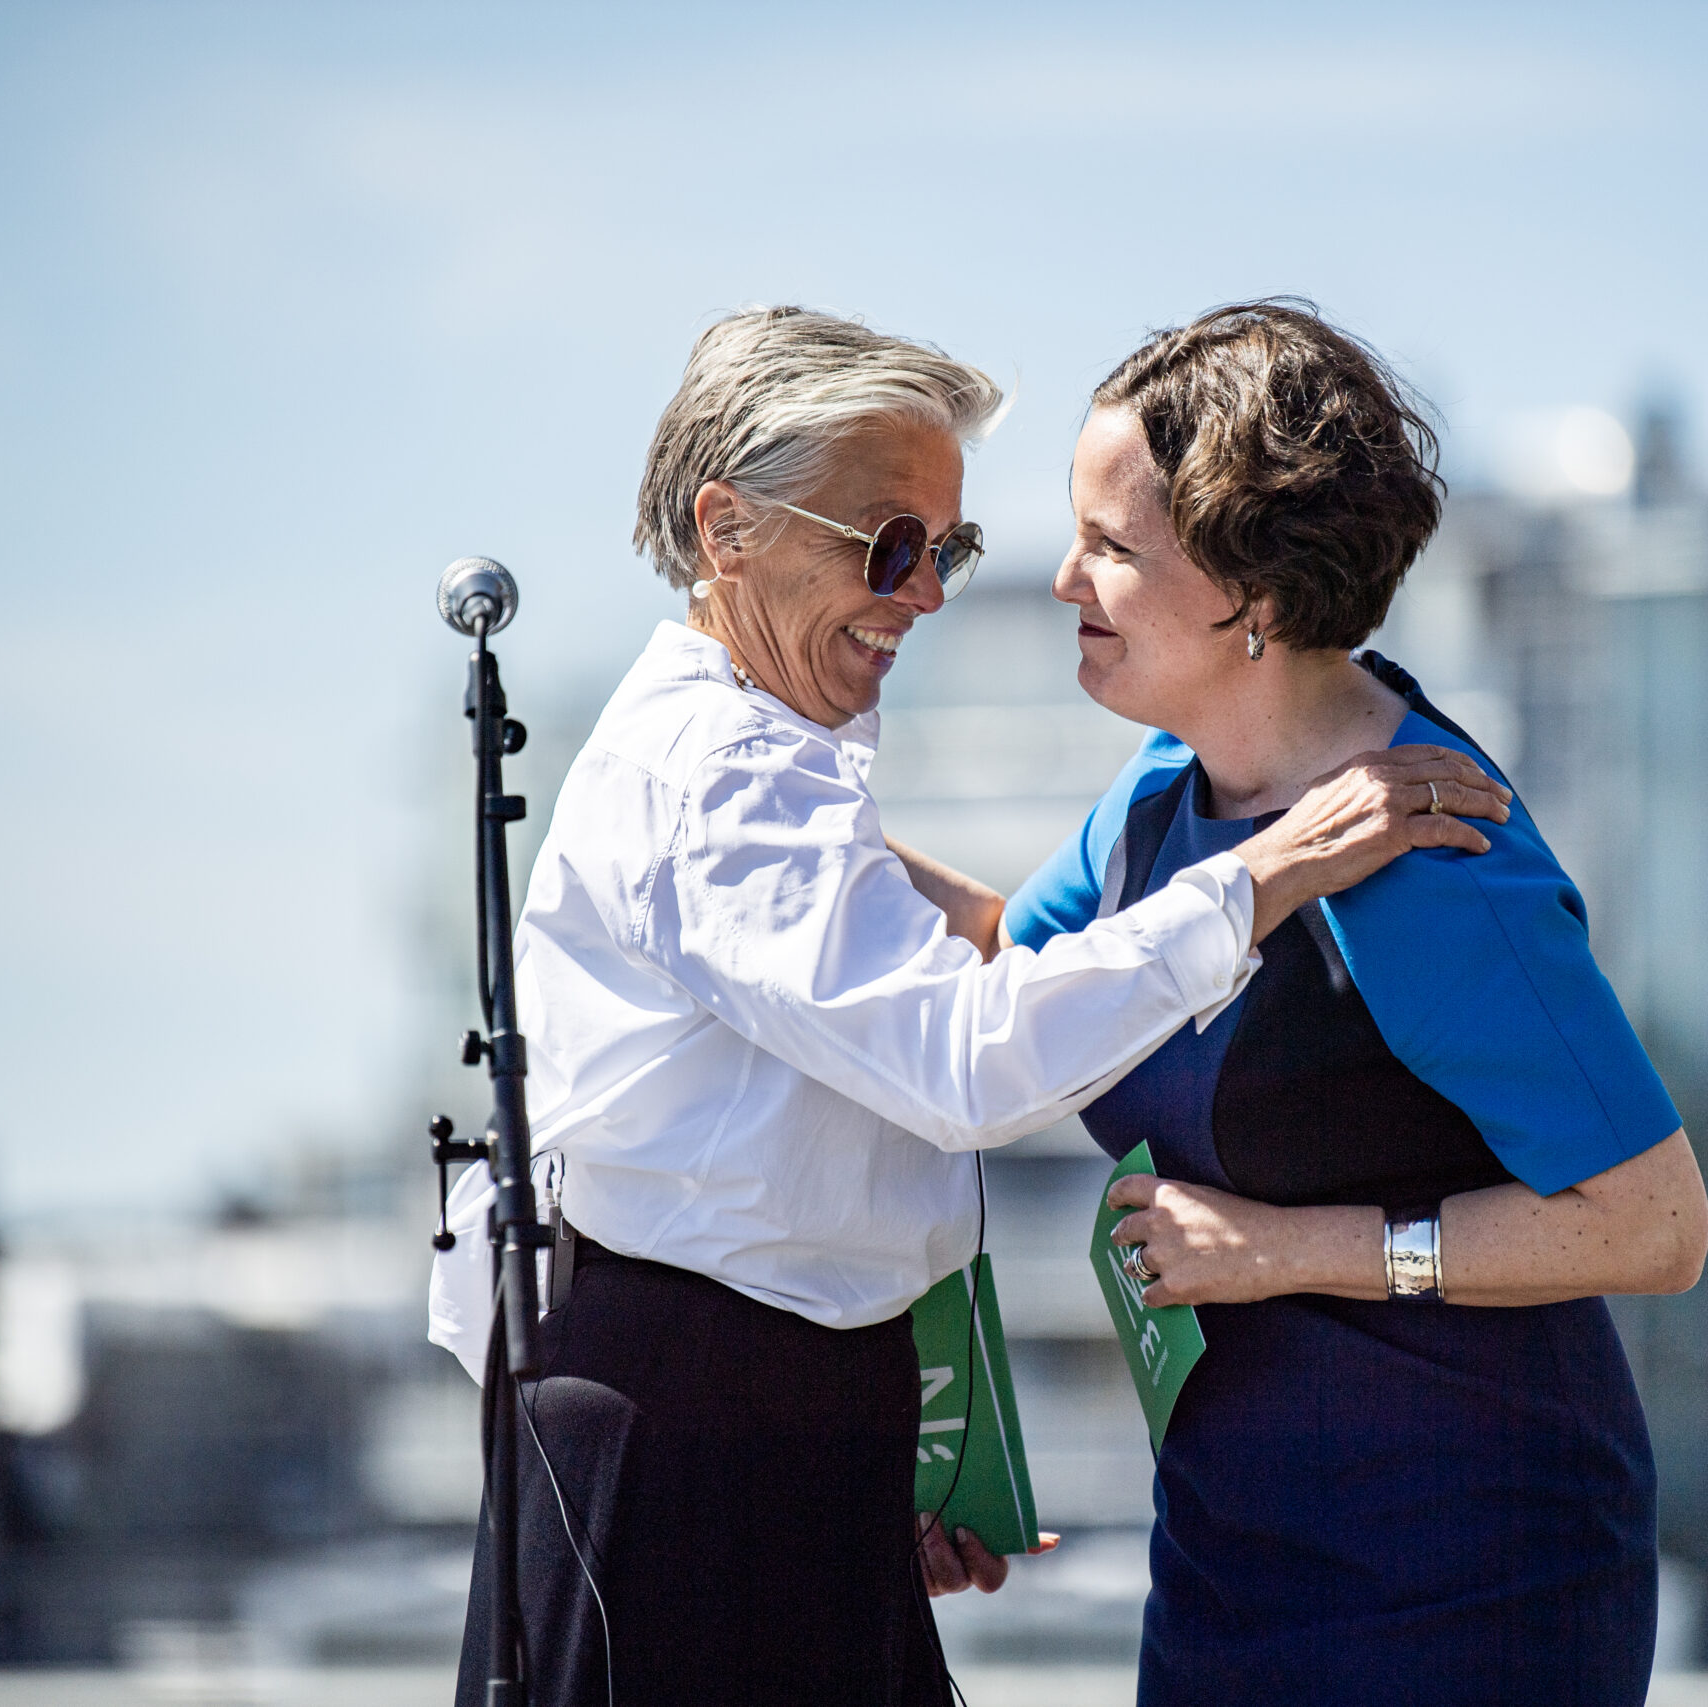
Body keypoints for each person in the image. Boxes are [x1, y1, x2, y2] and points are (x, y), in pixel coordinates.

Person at [425, 306, 1508, 1707]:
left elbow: (847, 1127)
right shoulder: (727, 777)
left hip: (758, 1426)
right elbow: (964, 1063)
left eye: (947, 550)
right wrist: (1268, 875)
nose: (925, 593)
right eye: (887, 545)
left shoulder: (766, 765)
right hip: (694, 1444)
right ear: (726, 528)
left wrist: (893, 1448)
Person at [1000, 302, 1708, 1707]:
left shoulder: (1434, 861)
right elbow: (998, 990)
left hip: (1469, 1584)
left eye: (1113, 550)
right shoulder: (1161, 794)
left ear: (1253, 601)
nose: (1065, 579)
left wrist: (1280, 1251)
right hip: (1229, 1560)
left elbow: (1656, 1223)